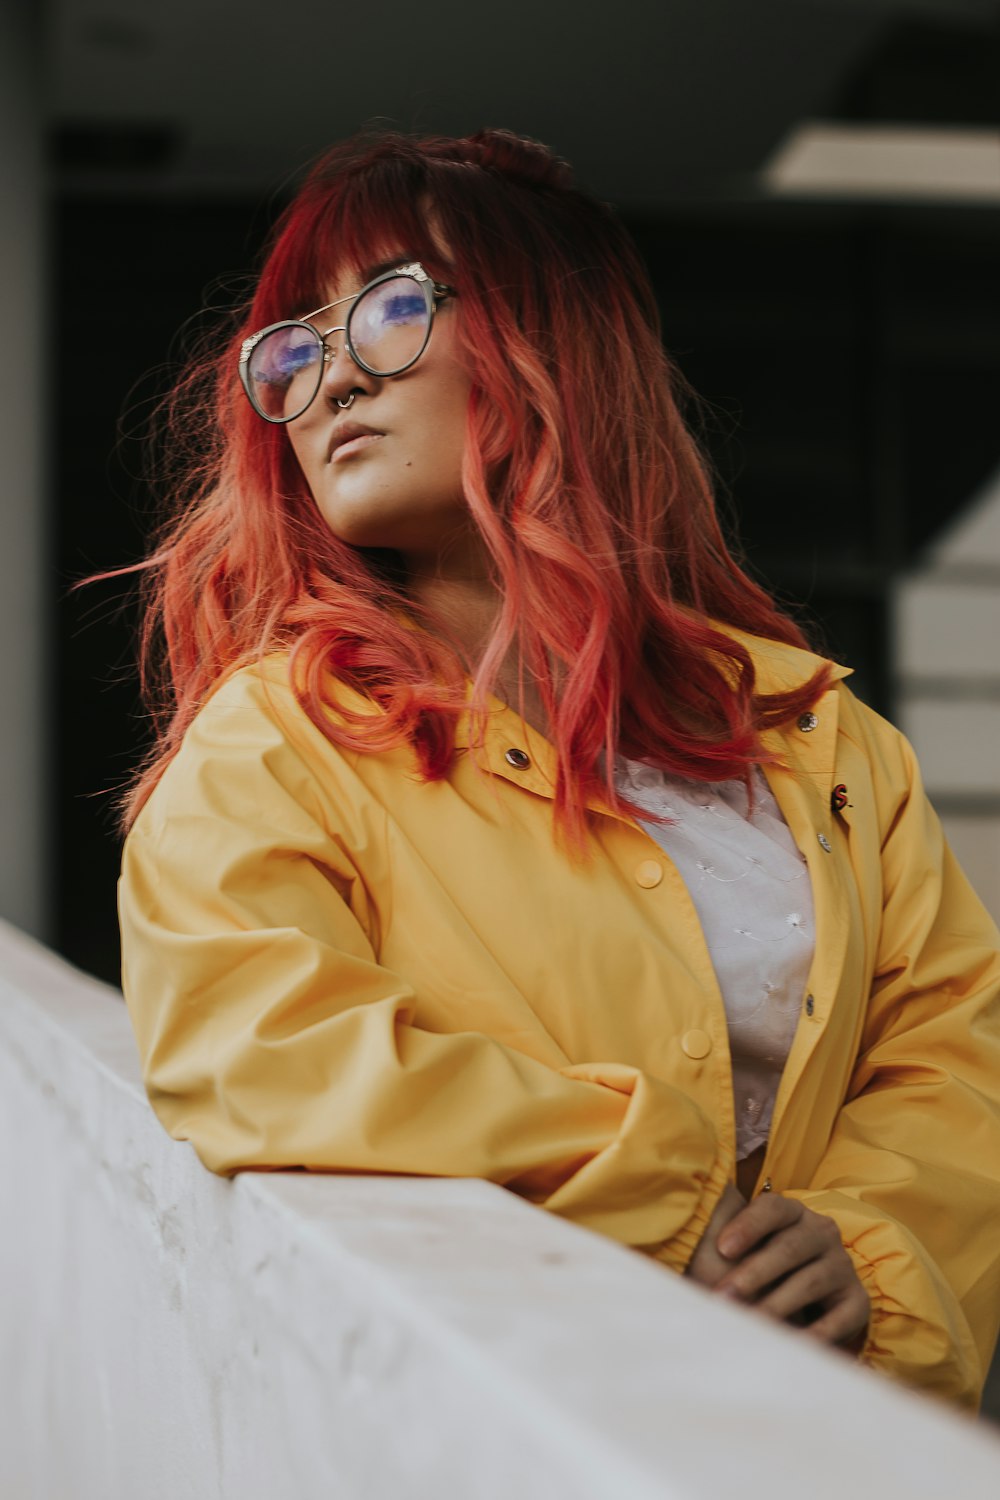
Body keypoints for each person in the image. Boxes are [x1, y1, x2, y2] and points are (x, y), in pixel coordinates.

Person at [117, 128, 1000, 1408]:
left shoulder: (820, 738)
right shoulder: (275, 741)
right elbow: (262, 1049)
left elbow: (952, 1064)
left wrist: (867, 1260)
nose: (329, 382)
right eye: (297, 348)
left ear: (555, 341)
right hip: (514, 1420)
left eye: (392, 308)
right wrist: (664, 1191)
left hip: (822, 1432)